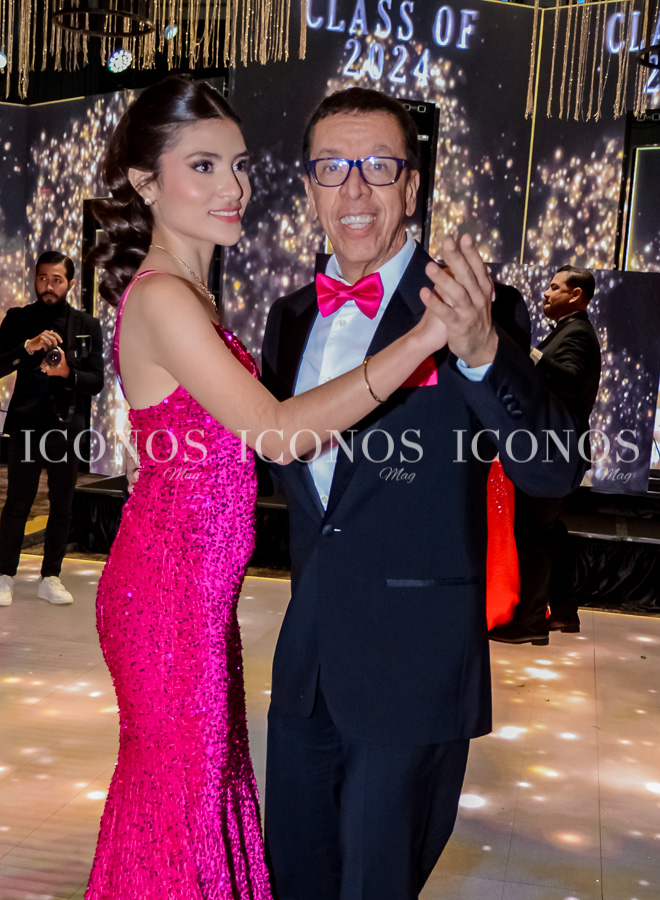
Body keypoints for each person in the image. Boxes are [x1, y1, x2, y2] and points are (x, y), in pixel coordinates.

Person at [83, 75, 455, 900]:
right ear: (146, 183)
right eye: (204, 166)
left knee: (193, 801)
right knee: (181, 810)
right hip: (167, 599)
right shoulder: (165, 298)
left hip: (193, 597)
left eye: (241, 165)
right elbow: (279, 433)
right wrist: (421, 338)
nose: (234, 187)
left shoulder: (192, 295)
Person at [260, 88, 584, 900]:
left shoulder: (476, 306)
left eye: (379, 166)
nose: (355, 189)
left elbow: (551, 468)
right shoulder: (289, 317)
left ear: (411, 187)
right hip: (306, 667)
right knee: (293, 879)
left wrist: (480, 351)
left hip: (414, 667)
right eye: (332, 168)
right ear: (309, 187)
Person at [490, 265, 601, 644]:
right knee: (548, 530)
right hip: (557, 451)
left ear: (576, 295)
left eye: (555, 287)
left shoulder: (578, 333)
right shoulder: (570, 331)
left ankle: (532, 623)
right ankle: (564, 612)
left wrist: (525, 351)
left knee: (534, 535)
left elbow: (570, 379)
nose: (546, 293)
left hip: (555, 452)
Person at [0, 251, 103, 607]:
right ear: (35, 278)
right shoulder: (18, 319)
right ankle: (4, 575)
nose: (48, 286)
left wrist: (67, 373)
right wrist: (26, 348)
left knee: (62, 504)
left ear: (70, 283)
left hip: (67, 427)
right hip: (26, 425)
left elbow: (96, 381)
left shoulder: (87, 324)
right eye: (43, 278)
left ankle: (51, 576)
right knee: (18, 502)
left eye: (57, 280)